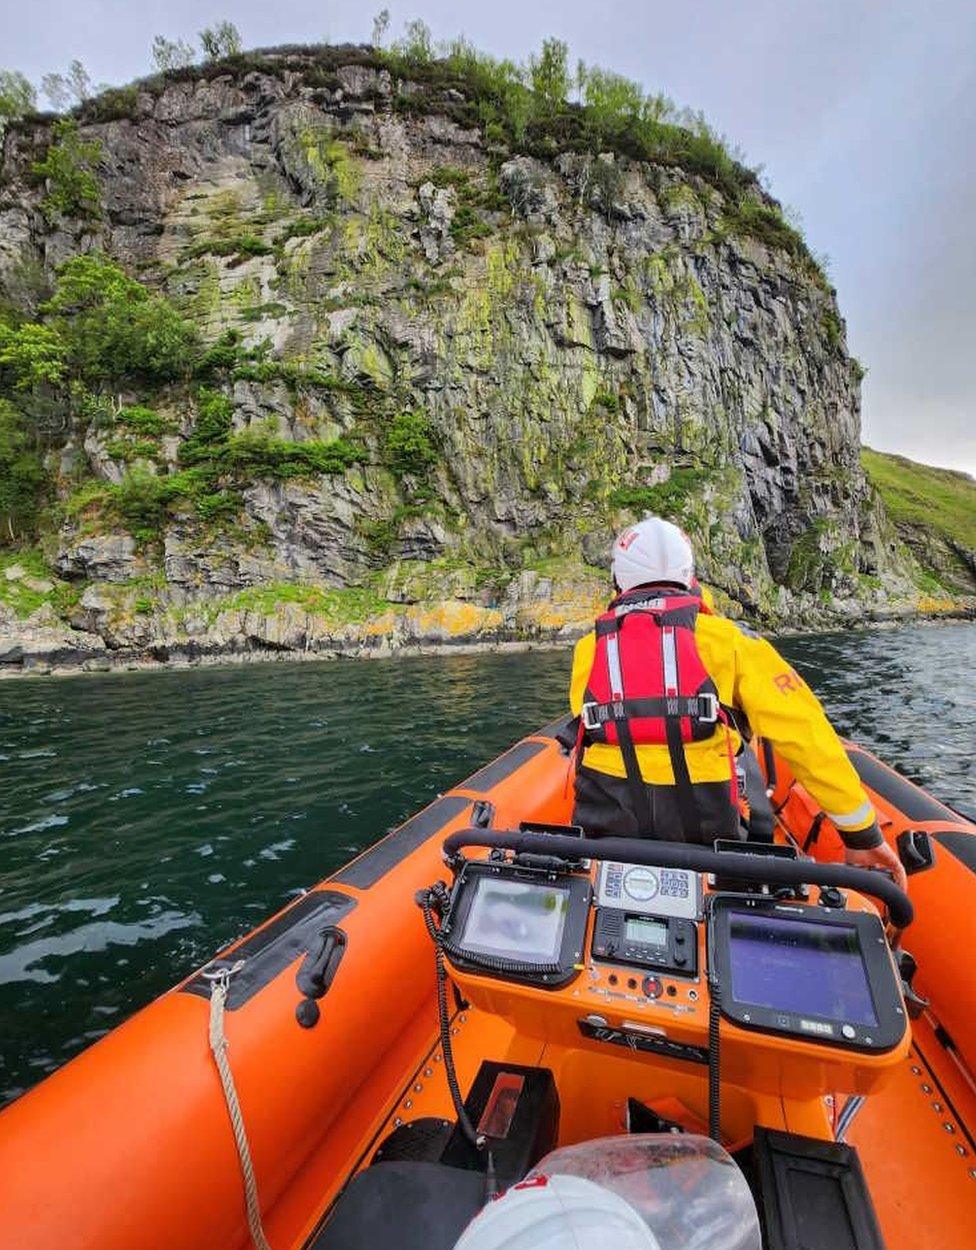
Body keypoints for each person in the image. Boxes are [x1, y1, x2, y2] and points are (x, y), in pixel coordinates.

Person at [569, 516, 907, 890]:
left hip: (607, 831)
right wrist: (862, 835)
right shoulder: (730, 641)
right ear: (690, 575)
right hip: (707, 832)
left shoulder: (590, 649)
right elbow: (804, 733)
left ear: (617, 580)